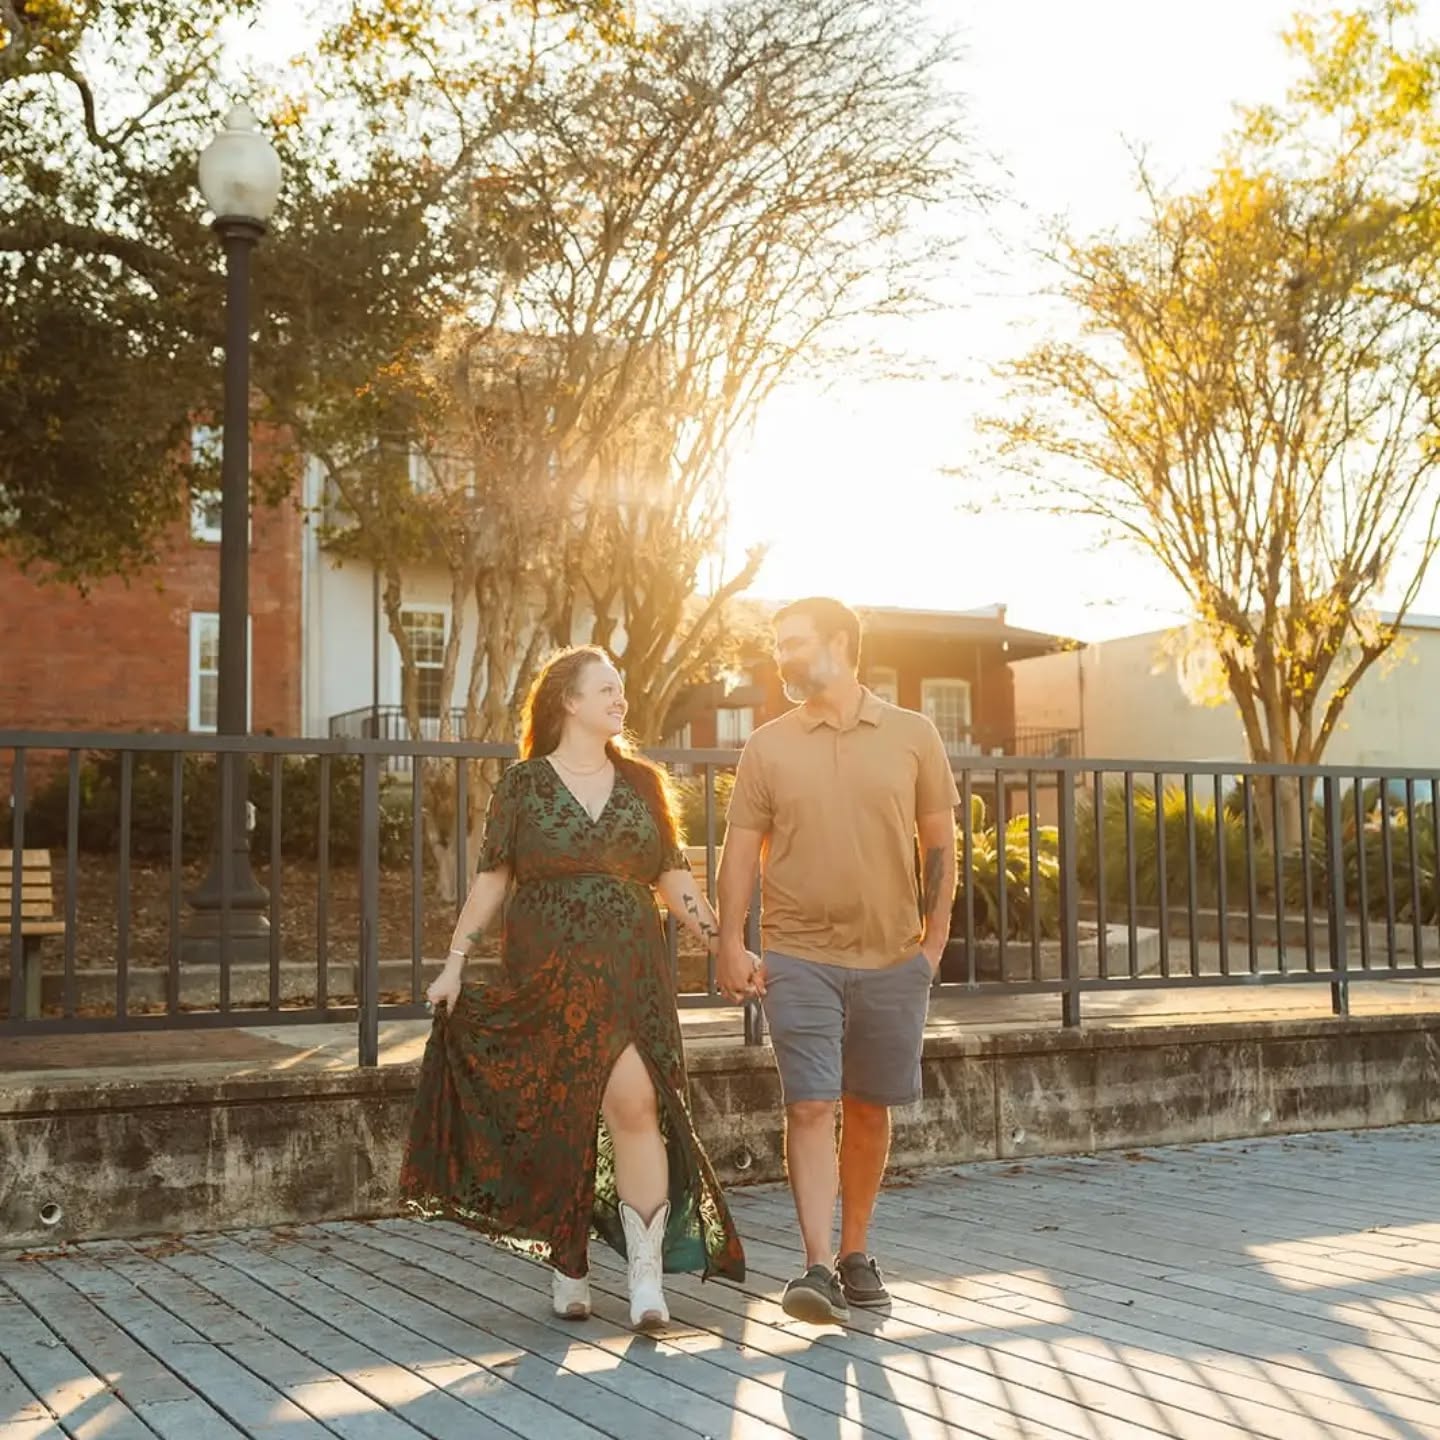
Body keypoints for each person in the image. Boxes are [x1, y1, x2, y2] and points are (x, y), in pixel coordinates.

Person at [400, 645, 746, 1330]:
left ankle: (646, 1278)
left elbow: (673, 877)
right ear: (569, 701)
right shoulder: (525, 785)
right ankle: (569, 1258)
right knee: (559, 1115)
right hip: (547, 968)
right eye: (607, 689)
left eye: (623, 690)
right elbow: (495, 877)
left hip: (632, 971)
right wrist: (455, 961)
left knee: (637, 1102)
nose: (622, 701)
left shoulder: (643, 783)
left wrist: (722, 943)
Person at [716, 596, 958, 1324]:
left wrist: (933, 945)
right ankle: (816, 1265)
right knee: (812, 1103)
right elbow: (739, 854)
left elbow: (940, 843)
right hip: (799, 957)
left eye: (795, 643)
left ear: (842, 644)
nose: (782, 656)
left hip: (893, 957)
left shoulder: (914, 735)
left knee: (869, 1108)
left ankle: (856, 1253)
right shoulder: (768, 745)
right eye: (778, 644)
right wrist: (730, 939)